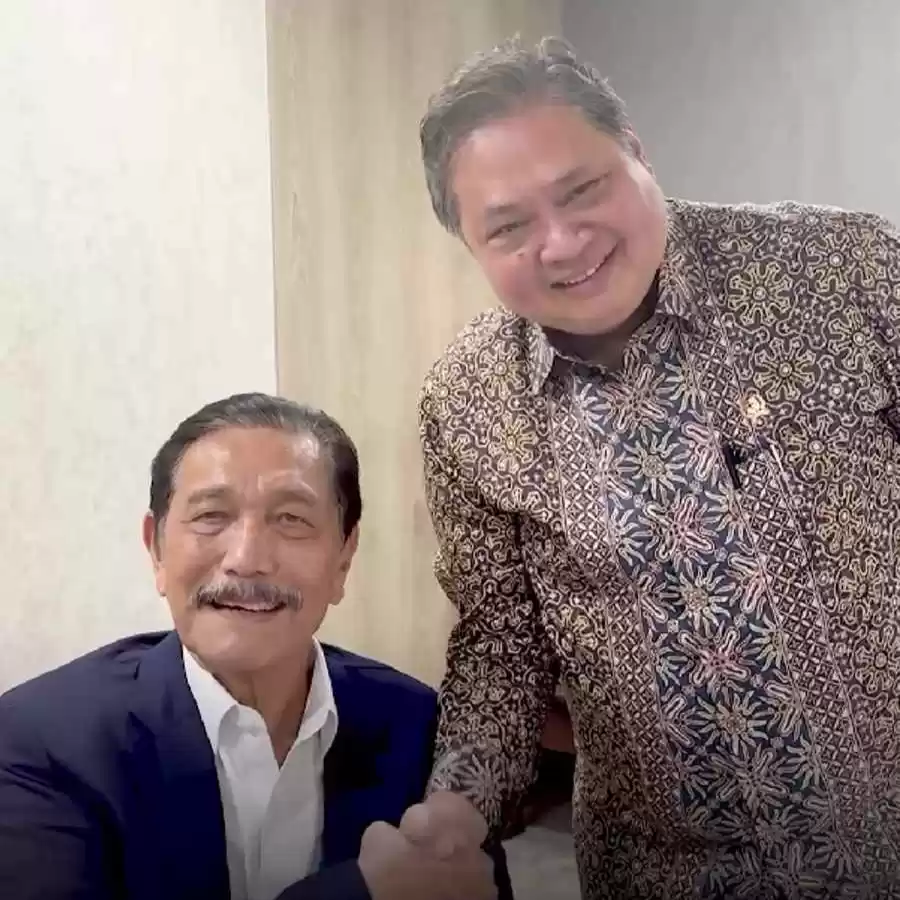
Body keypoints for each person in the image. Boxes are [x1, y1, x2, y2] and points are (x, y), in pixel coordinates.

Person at [406, 34, 900, 900]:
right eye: (510, 227)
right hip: (666, 872)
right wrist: (458, 804)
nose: (564, 244)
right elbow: (501, 646)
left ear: (635, 150)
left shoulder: (844, 269)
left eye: (583, 189)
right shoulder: (467, 401)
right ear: (469, 244)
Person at [0, 393, 508, 900]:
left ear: (343, 559)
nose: (246, 559)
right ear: (156, 550)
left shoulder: (423, 730)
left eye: (291, 519)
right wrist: (363, 891)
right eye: (211, 516)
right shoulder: (42, 741)